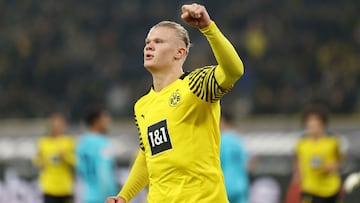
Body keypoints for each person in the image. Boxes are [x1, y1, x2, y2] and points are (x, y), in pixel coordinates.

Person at [105, 3, 244, 203]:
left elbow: (234, 71)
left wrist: (208, 27)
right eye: (147, 42)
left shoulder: (195, 86)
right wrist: (124, 196)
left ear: (179, 53)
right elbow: (147, 156)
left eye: (159, 41)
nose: (149, 46)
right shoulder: (142, 105)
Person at [294, 107, 343, 203]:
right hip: (311, 189)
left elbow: (340, 161)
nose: (312, 126)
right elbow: (298, 163)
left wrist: (333, 166)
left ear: (322, 124)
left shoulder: (333, 142)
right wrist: (297, 181)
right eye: (309, 123)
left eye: (315, 122)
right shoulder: (301, 144)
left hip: (331, 189)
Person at [76, 107, 118, 203]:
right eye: (105, 118)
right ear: (96, 121)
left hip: (87, 196)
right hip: (102, 197)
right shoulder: (102, 144)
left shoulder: (82, 142)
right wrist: (113, 195)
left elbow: (79, 169)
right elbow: (104, 173)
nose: (108, 121)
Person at [33, 112, 75, 203]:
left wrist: (65, 156)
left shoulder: (69, 141)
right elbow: (36, 159)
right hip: (49, 187)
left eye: (59, 124)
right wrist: (40, 163)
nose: (56, 127)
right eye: (54, 124)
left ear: (63, 125)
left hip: (65, 187)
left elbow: (76, 161)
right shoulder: (43, 142)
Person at [220, 111, 249, 203]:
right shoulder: (239, 139)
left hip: (224, 186)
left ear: (222, 121)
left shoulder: (220, 141)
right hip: (241, 185)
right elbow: (249, 163)